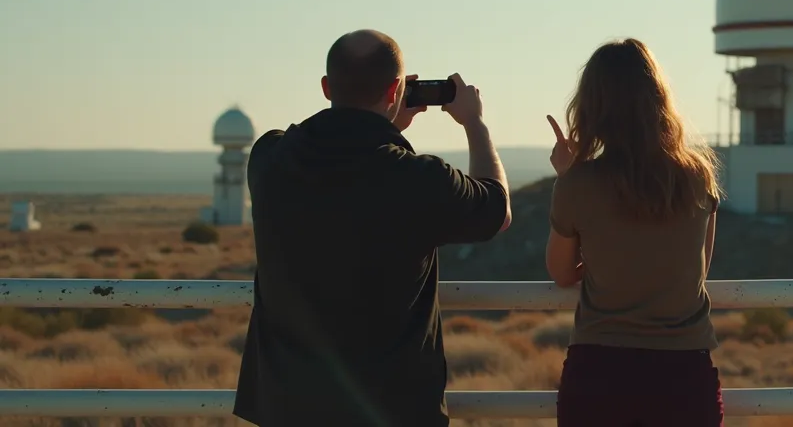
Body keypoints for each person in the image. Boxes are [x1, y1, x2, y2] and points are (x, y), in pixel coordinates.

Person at [234, 29, 512, 427]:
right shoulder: (419, 179)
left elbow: (338, 169)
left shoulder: (268, 158)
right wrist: (474, 123)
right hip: (392, 410)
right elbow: (497, 209)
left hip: (288, 408)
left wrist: (385, 122)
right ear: (396, 90)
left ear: (327, 86)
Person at [544, 38, 725, 427]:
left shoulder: (578, 185)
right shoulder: (698, 177)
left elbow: (561, 273)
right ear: (658, 100)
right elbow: (698, 269)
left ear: (591, 106)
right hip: (683, 375)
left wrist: (571, 176)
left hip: (600, 373)